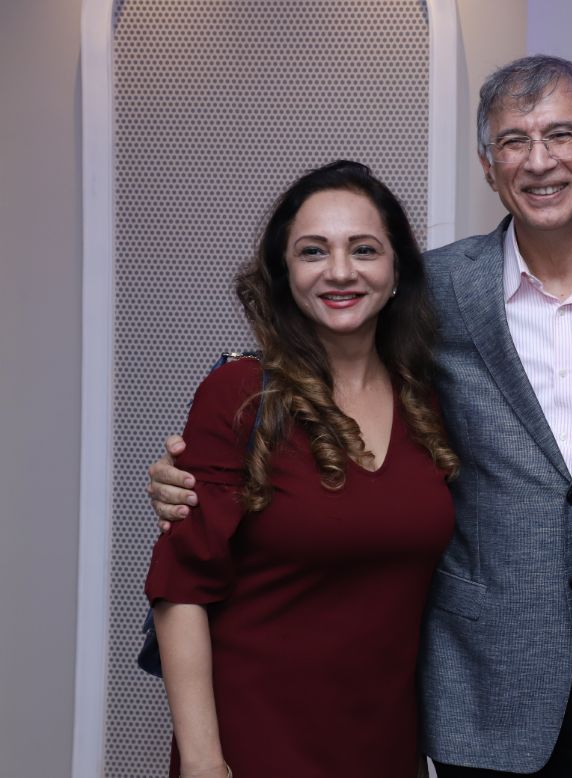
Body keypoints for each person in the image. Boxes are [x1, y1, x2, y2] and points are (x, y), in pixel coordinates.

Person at [147, 57, 572, 777]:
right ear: (487, 165)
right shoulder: (440, 289)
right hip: (477, 694)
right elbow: (308, 352)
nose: (538, 161)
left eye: (561, 135)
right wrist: (190, 475)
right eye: (513, 141)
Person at [144, 160, 457, 778]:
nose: (340, 271)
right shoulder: (239, 396)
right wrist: (204, 764)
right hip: (257, 744)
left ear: (396, 272)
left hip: (385, 745)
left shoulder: (427, 402)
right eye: (313, 251)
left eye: (364, 249)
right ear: (285, 273)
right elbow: (181, 590)